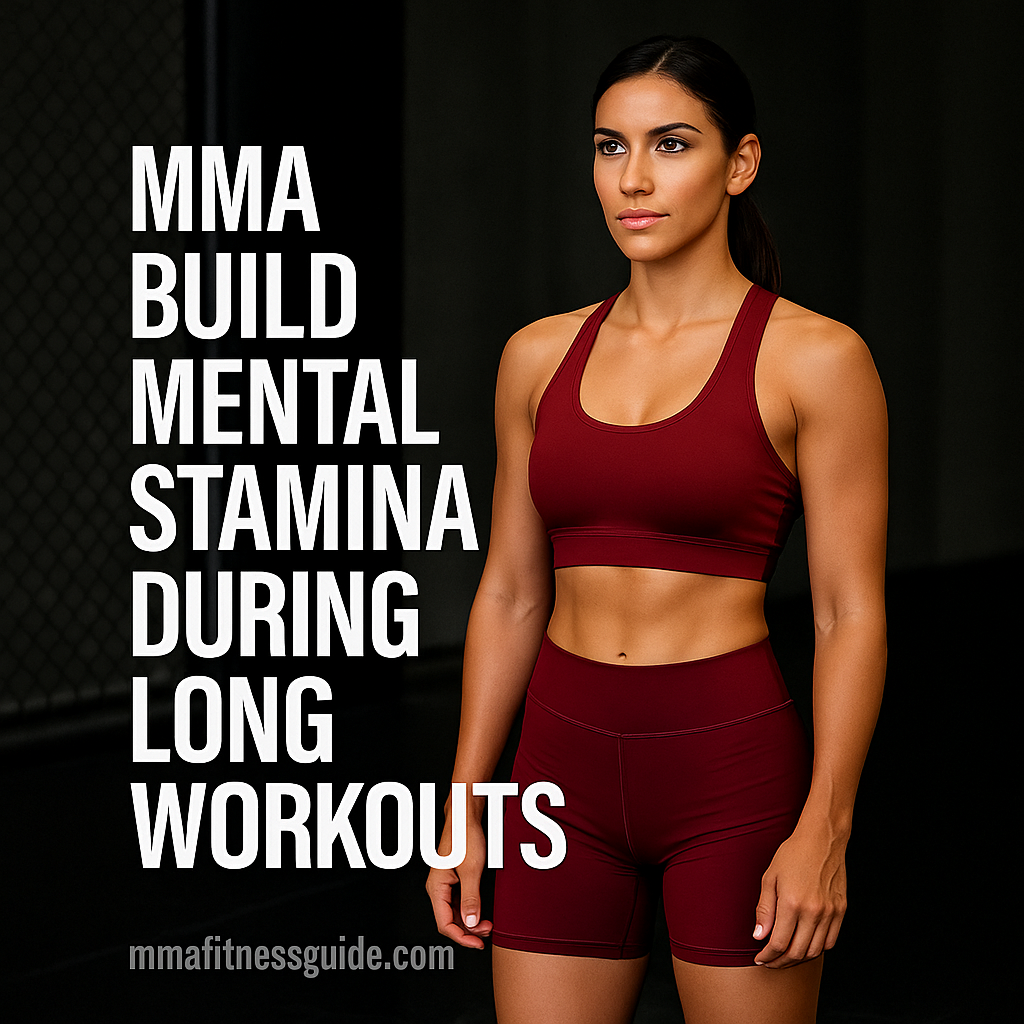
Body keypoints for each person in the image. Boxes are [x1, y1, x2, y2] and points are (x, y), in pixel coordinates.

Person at [426, 34, 887, 1024]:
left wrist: (827, 827)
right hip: (560, 773)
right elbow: (511, 589)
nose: (632, 178)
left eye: (671, 144)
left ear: (741, 162)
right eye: (608, 146)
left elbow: (850, 613)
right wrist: (464, 796)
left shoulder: (815, 359)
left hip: (726, 771)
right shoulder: (536, 356)